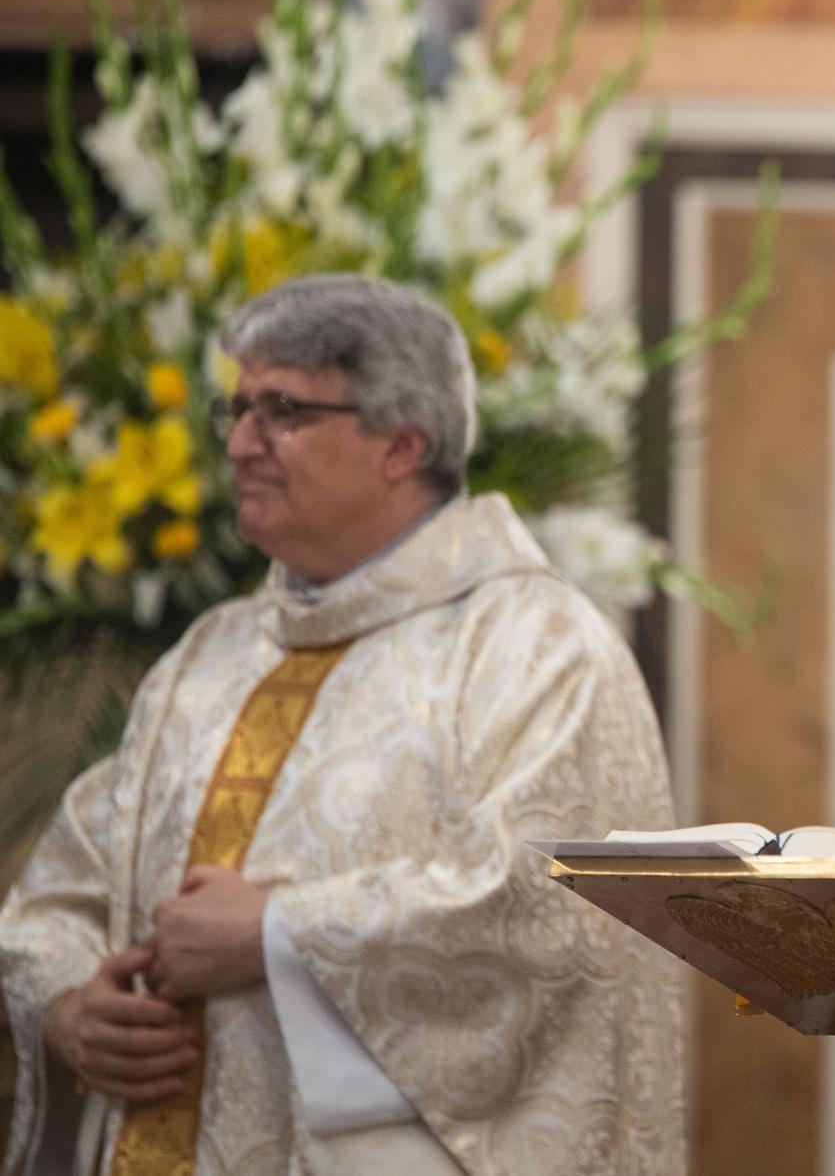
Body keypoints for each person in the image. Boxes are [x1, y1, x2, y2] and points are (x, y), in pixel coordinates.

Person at [0, 276, 683, 1176]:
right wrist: (69, 1007)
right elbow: (62, 889)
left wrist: (278, 932)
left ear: (402, 444)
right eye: (236, 408)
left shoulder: (537, 648)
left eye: (281, 410)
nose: (241, 443)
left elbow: (555, 916)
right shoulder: (211, 657)